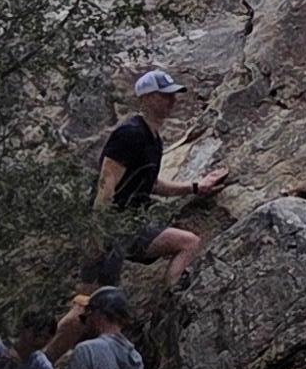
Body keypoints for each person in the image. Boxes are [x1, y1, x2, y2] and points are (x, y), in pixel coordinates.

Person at [94, 68, 223, 280]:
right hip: (115, 226)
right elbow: (106, 181)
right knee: (91, 302)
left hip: (132, 224)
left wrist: (195, 187)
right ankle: (173, 294)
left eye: (173, 95)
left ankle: (172, 295)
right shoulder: (129, 133)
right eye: (164, 95)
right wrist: (98, 232)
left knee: (188, 242)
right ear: (146, 98)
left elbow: (151, 184)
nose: (172, 100)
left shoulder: (153, 138)